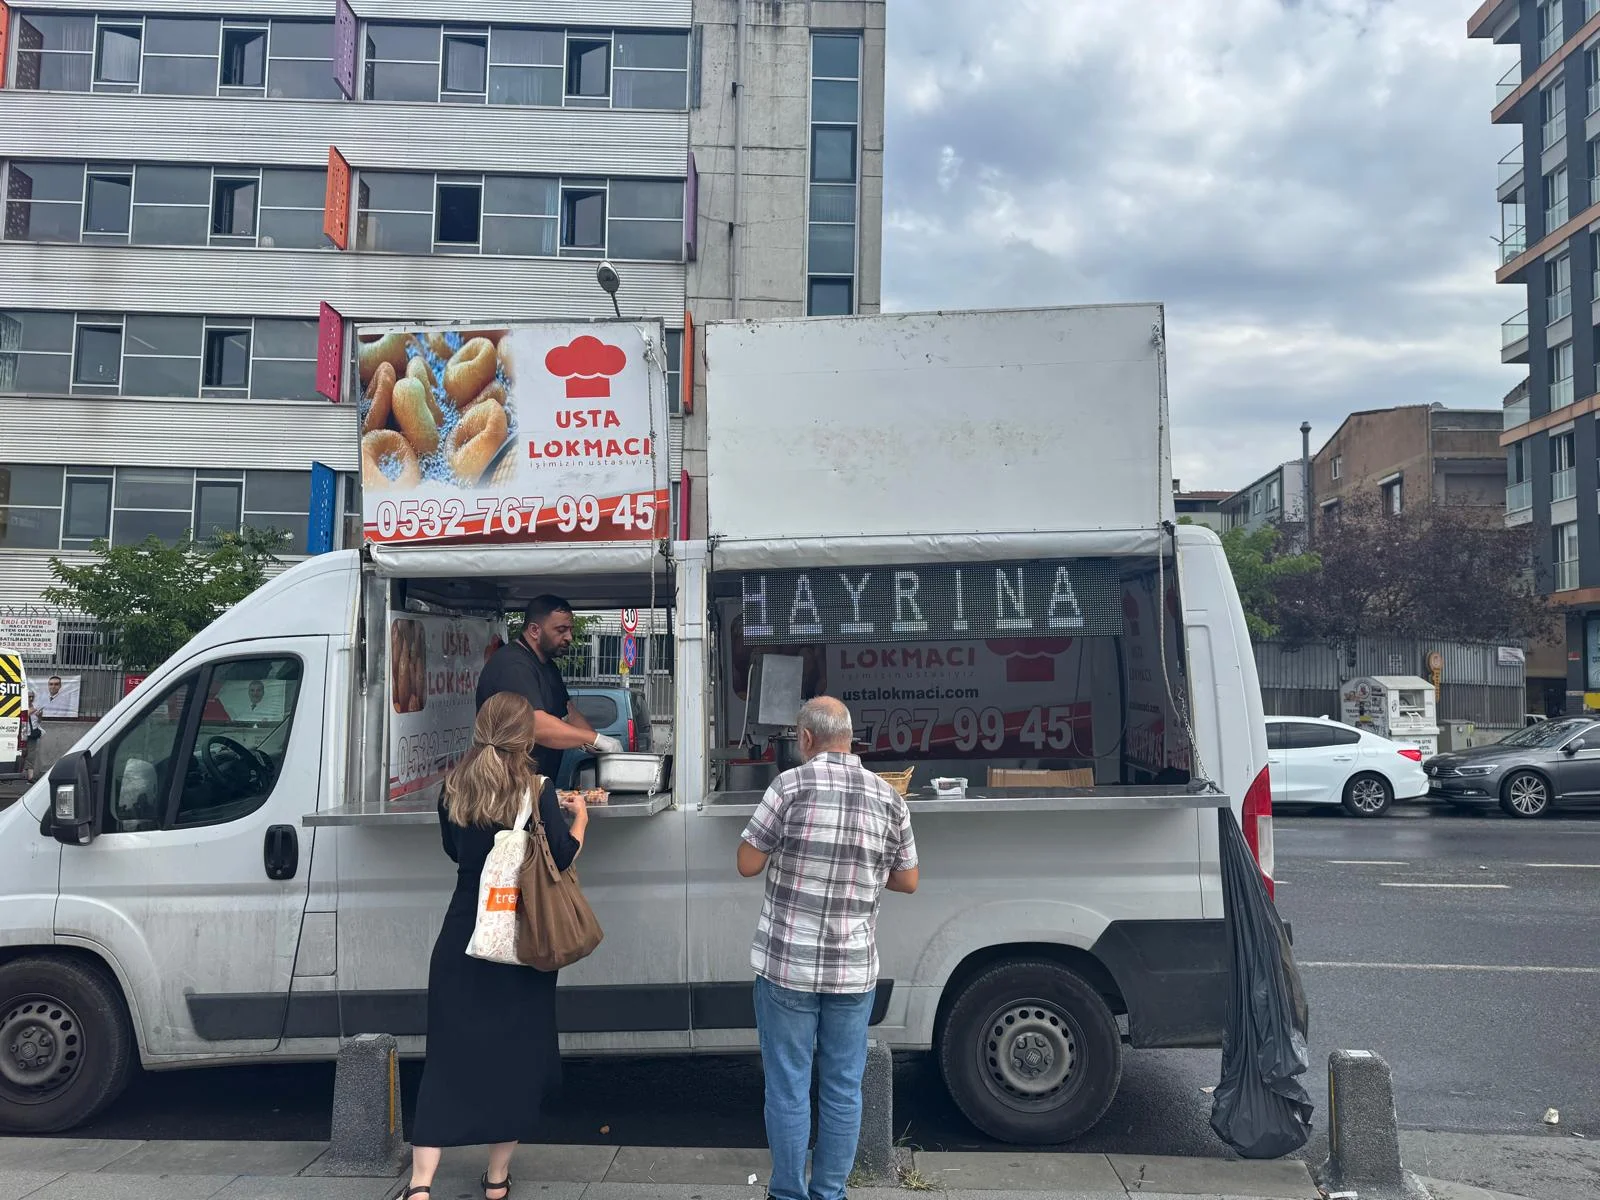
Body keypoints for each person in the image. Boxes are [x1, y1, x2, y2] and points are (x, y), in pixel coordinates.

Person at [405, 691, 590, 1200]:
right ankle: (496, 1181)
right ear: (524, 737)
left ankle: (421, 1186)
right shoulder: (538, 788)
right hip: (521, 942)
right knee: (513, 1059)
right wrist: (579, 818)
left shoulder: (453, 787)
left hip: (463, 935)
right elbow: (564, 854)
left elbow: (452, 850)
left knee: (448, 1058)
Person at [736, 696, 919, 1200]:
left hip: (787, 967)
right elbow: (909, 880)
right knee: (843, 1088)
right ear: (849, 737)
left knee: (789, 1086)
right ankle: (830, 1193)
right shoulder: (888, 798)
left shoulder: (789, 786)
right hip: (853, 970)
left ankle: (788, 1193)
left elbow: (747, 863)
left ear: (807, 738)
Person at [477, 595, 621, 780]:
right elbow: (535, 725)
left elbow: (569, 714)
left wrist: (601, 749)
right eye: (561, 630)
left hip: (535, 784)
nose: (569, 637)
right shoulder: (513, 666)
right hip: (505, 789)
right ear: (534, 630)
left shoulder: (546, 665)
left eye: (570, 629)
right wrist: (593, 739)